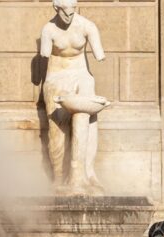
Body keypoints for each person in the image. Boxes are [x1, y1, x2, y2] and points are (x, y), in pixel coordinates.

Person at [40, 0, 105, 192]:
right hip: (56, 76)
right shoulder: (48, 30)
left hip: (81, 74)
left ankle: (86, 172)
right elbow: (45, 53)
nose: (69, 16)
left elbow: (98, 52)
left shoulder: (87, 26)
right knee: (57, 129)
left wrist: (98, 52)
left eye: (72, 12)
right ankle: (59, 177)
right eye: (65, 13)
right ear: (57, 9)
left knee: (88, 116)